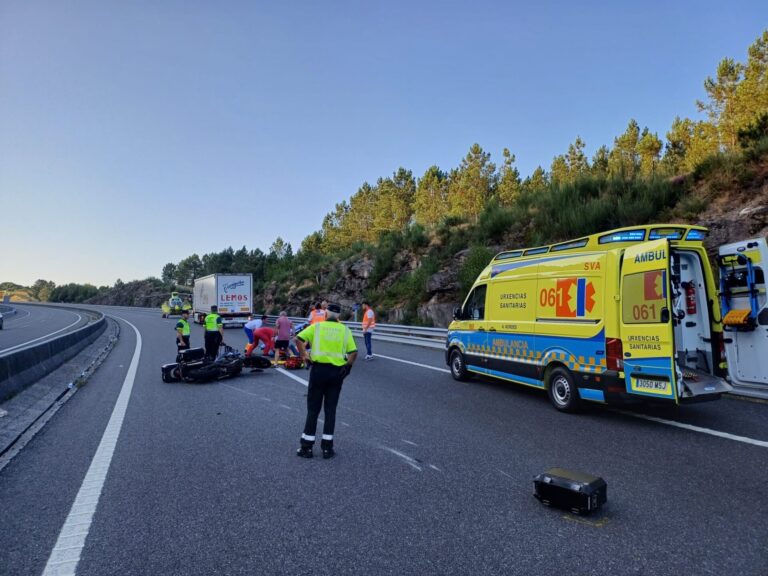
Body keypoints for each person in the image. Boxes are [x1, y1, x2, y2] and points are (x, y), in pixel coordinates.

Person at [295, 303, 357, 459]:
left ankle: (306, 447)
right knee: (330, 410)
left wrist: (305, 355)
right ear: (339, 317)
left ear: (325, 314)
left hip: (318, 371)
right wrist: (347, 367)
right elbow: (353, 352)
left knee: (313, 409)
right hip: (336, 373)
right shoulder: (345, 330)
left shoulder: (317, 327)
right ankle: (327, 449)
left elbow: (298, 339)